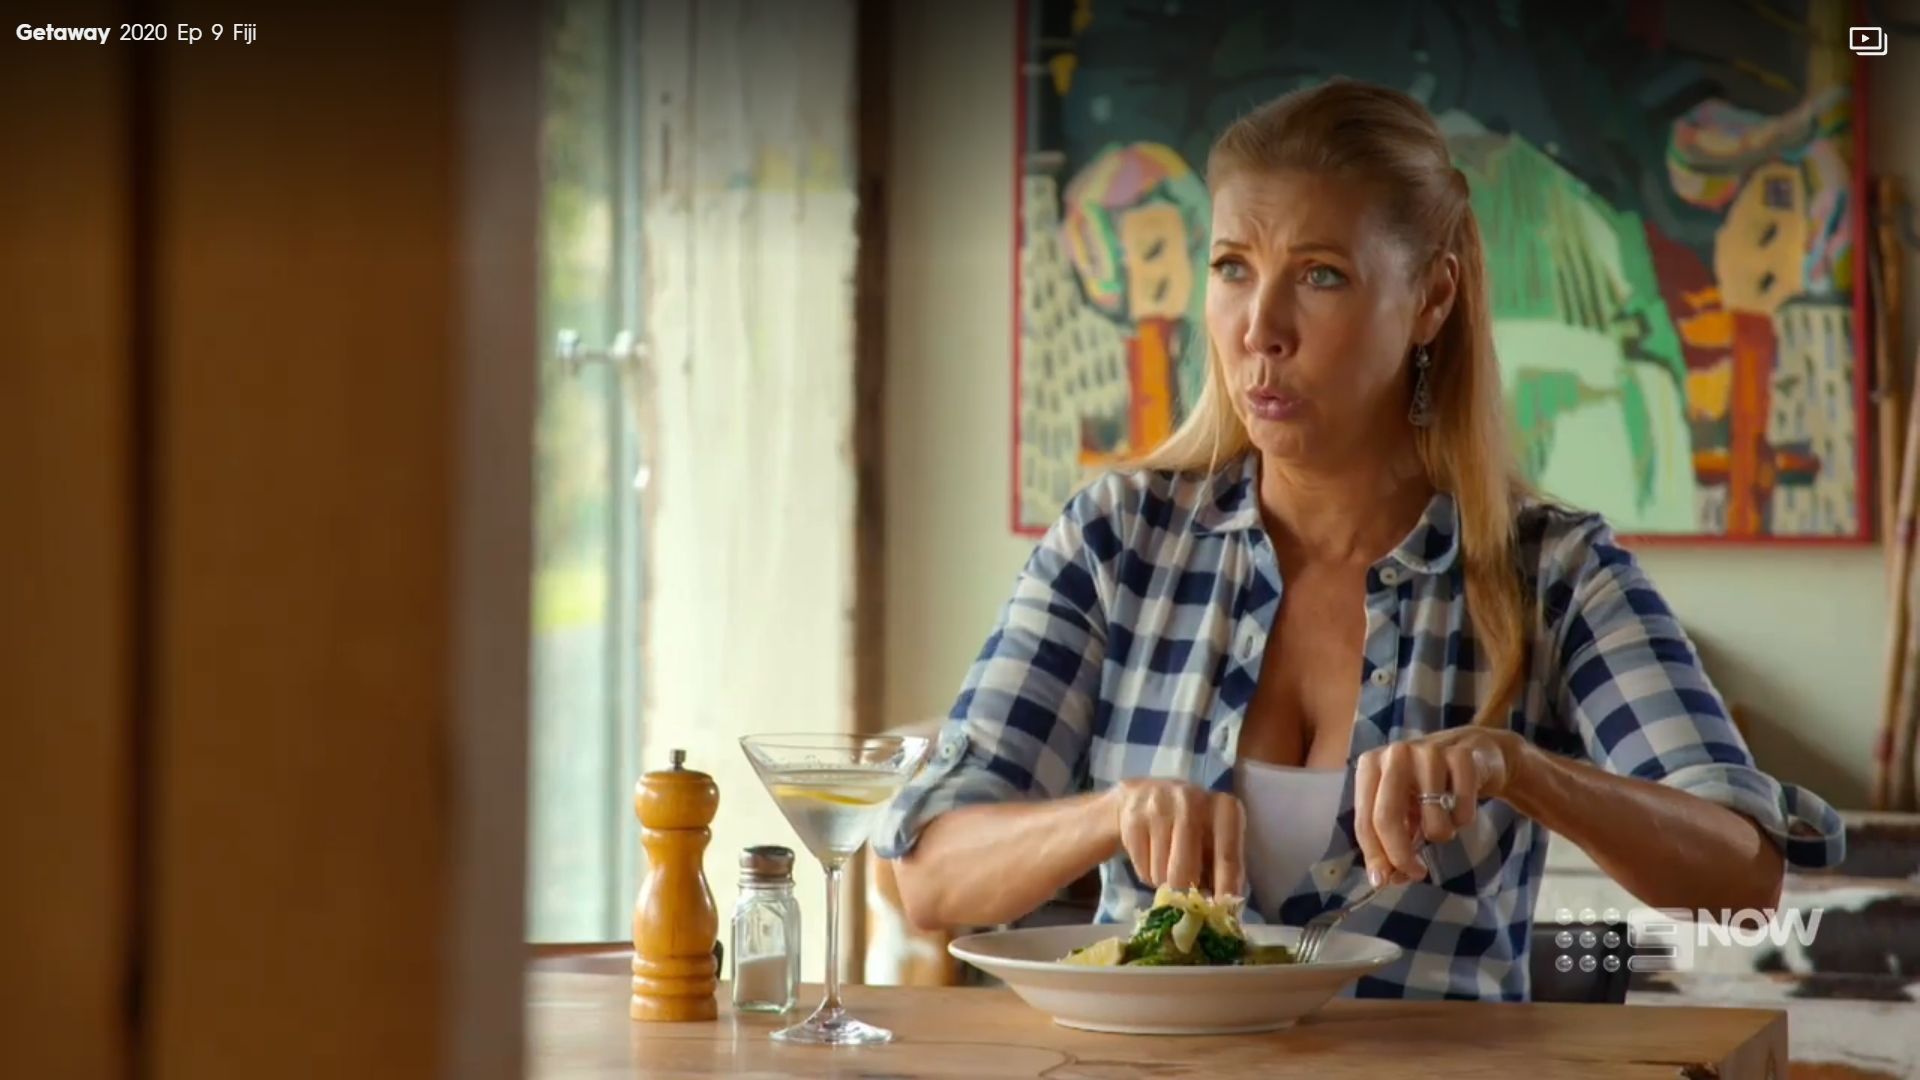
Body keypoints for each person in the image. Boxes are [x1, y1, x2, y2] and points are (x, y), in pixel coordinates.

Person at [877, 80, 1845, 1000]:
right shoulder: (1116, 539)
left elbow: (1743, 880)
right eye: (1232, 268)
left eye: (1321, 276)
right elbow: (929, 878)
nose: (1260, 328)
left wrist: (1521, 768)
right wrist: (1113, 811)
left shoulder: (1553, 571)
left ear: (1430, 300)